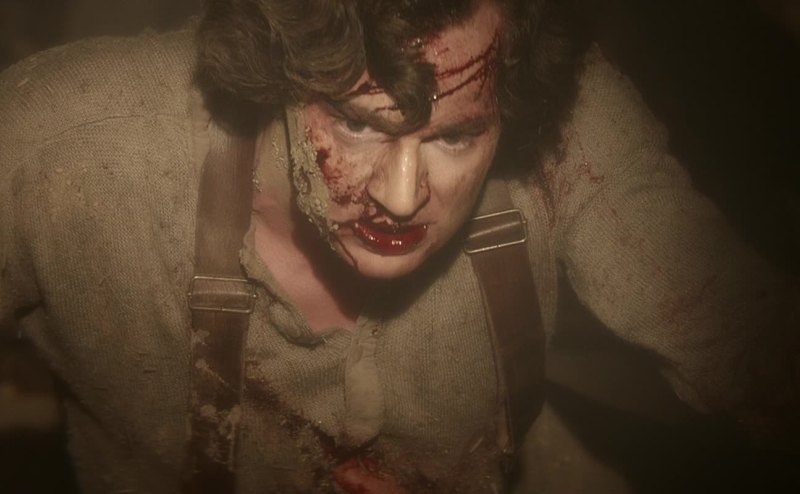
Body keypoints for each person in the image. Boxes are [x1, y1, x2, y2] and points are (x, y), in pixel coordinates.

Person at [0, 0, 796, 492]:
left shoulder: (563, 120)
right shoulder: (73, 145)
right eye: (357, 123)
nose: (402, 196)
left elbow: (751, 343)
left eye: (456, 137)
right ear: (278, 67)